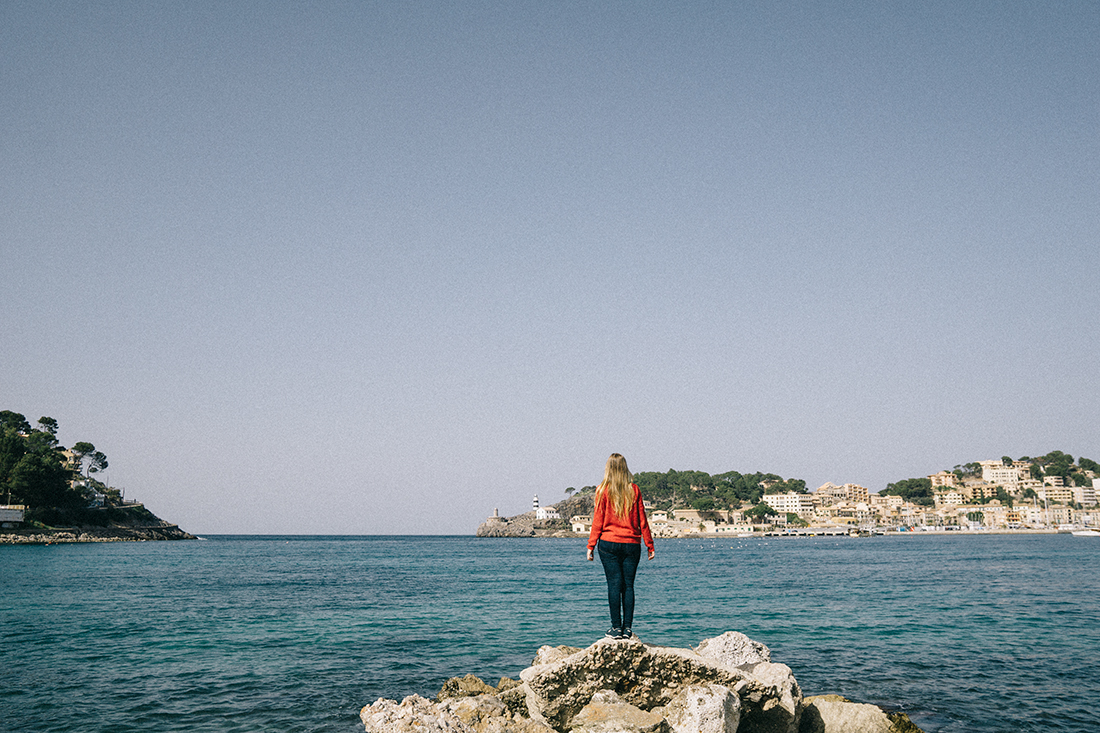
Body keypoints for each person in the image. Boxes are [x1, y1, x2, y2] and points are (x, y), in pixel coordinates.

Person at [586, 453, 655, 640]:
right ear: (625, 468)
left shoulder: (602, 490)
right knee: (629, 586)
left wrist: (591, 545)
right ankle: (627, 629)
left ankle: (616, 628)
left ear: (608, 468)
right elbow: (643, 520)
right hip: (631, 544)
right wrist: (649, 544)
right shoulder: (634, 490)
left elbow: (597, 521)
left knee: (614, 585)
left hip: (608, 544)